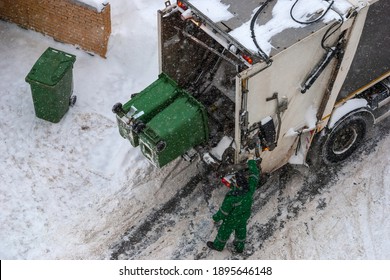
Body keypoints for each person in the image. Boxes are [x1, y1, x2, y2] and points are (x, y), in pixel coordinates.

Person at [207, 156, 260, 253]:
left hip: (232, 219)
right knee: (241, 231)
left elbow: (223, 212)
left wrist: (215, 218)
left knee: (224, 231)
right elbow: (255, 175)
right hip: (244, 217)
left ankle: (218, 246)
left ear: (237, 184)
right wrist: (251, 163)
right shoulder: (249, 190)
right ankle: (239, 247)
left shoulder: (232, 198)